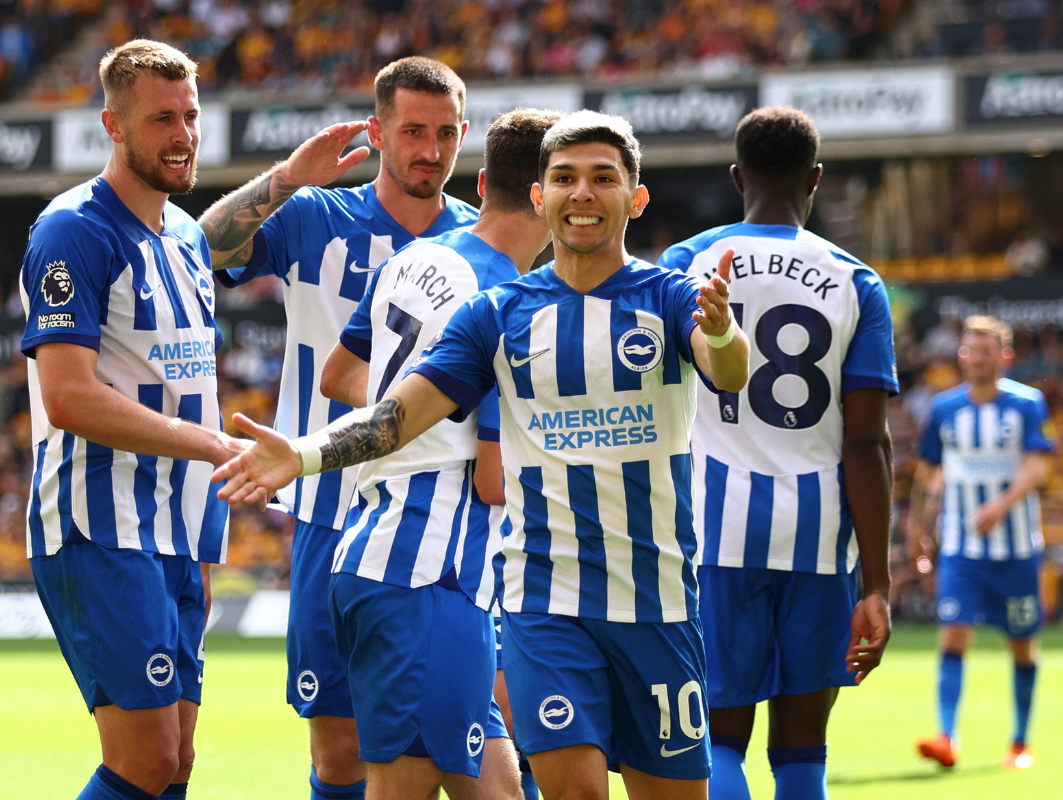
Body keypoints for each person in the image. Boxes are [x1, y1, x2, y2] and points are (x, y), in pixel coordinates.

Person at [212, 110, 752, 800]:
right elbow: (397, 413)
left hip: (655, 597)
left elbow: (725, 370)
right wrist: (302, 455)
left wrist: (725, 331)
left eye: (602, 178)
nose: (581, 193)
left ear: (635, 197)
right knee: (571, 791)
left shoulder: (670, 297)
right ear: (539, 195)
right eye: (564, 178)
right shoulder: (495, 312)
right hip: (541, 600)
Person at [198, 57, 479, 800]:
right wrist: (289, 176)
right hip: (331, 511)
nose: (430, 150)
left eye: (446, 133)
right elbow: (204, 252)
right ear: (377, 132)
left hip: (448, 522)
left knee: (475, 744)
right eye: (413, 131)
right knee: (339, 749)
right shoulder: (319, 216)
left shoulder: (484, 246)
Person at [19, 40, 249, 800]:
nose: (183, 134)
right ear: (113, 126)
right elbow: (69, 396)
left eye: (190, 115)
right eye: (161, 119)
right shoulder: (72, 231)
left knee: (176, 760)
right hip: (101, 525)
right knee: (144, 760)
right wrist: (211, 445)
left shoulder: (184, 237)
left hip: (182, 528)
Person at [316, 107, 562, 800]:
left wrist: (431, 411)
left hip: (386, 554)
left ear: (483, 184)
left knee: (499, 789)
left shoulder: (415, 258)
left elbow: (339, 376)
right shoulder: (505, 302)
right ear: (548, 196)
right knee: (403, 789)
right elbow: (492, 480)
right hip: (429, 572)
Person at [657, 106, 897, 800]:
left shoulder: (687, 262)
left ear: (738, 177)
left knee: (719, 740)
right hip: (820, 541)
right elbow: (866, 439)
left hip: (714, 531)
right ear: (815, 179)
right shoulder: (856, 281)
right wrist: (876, 584)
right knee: (801, 752)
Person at [908, 315, 1051, 771]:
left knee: (1022, 645)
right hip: (962, 549)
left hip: (1017, 550)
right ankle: (946, 736)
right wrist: (918, 528)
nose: (976, 357)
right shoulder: (945, 409)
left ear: (1003, 357)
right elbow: (930, 472)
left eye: (986, 350)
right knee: (952, 635)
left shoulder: (1027, 404)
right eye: (970, 349)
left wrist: (1001, 506)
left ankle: (1019, 742)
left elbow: (1037, 466)